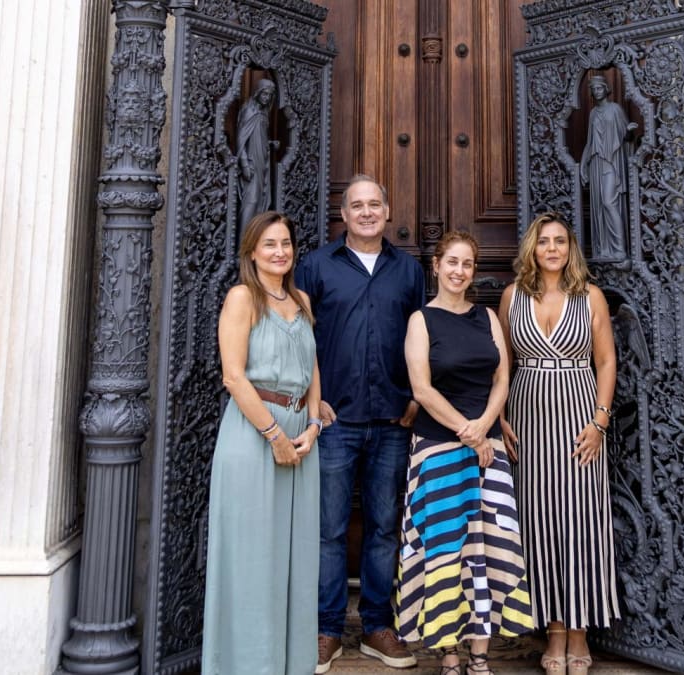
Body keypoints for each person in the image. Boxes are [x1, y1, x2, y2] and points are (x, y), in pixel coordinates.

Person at [295, 174, 425, 673]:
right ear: (343, 215)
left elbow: (423, 338)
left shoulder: (409, 271)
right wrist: (315, 399)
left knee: (383, 529)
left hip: (394, 419)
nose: (367, 212)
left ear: (387, 211)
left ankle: (376, 626)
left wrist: (416, 395)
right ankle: (326, 629)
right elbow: (299, 338)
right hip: (335, 420)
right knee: (328, 530)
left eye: (375, 204)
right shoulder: (316, 267)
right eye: (357, 205)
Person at [397, 231, 534, 675]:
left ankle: (479, 656)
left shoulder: (488, 317)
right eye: (451, 262)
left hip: (487, 450)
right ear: (435, 266)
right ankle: (449, 655)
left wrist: (485, 427)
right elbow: (421, 387)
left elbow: (502, 380)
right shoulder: (422, 319)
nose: (459, 271)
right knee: (444, 552)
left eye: (467, 264)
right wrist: (465, 430)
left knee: (486, 550)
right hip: (439, 447)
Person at [202, 211, 324, 675]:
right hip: (254, 435)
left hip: (301, 438)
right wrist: (273, 435)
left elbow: (313, 368)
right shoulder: (242, 298)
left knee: (294, 558)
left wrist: (313, 424)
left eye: (286, 243)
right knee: (252, 556)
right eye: (270, 244)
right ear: (252, 252)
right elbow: (233, 375)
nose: (280, 252)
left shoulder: (302, 299)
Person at [498, 213, 620, 675]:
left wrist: (600, 421)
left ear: (570, 249)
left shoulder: (589, 297)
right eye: (544, 241)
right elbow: (504, 363)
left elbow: (605, 361)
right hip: (528, 415)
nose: (552, 249)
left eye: (560, 242)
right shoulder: (513, 296)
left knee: (581, 518)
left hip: (577, 415)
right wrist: (503, 417)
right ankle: (552, 631)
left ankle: (579, 631)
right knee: (539, 519)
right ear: (532, 248)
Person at [579, 74, 634, 262]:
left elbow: (626, 137)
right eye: (594, 89)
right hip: (596, 162)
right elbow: (589, 142)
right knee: (599, 207)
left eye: (600, 88)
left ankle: (620, 249)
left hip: (612, 162)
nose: (597, 91)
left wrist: (629, 131)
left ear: (606, 89)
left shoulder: (615, 109)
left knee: (609, 202)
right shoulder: (593, 113)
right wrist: (582, 166)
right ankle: (603, 249)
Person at [237, 78, 277, 229]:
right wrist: (245, 164)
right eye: (264, 94)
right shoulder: (249, 111)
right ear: (258, 93)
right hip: (251, 162)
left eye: (269, 95)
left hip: (262, 162)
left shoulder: (263, 113)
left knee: (260, 201)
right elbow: (241, 140)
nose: (266, 98)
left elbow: (259, 137)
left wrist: (270, 144)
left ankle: (253, 241)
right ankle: (242, 245)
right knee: (251, 200)